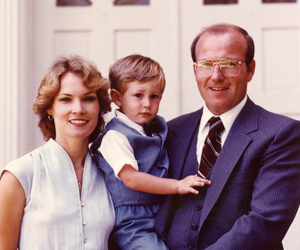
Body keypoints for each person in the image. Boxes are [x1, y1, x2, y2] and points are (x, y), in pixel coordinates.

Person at [155, 23, 300, 250]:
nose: (216, 76)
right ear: (195, 71)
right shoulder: (171, 131)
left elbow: (265, 223)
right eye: (206, 64)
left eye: (230, 64)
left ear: (250, 69)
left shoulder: (281, 134)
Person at [90, 54, 210, 250]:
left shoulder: (153, 128)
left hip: (160, 212)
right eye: (138, 95)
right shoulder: (115, 136)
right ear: (117, 98)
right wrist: (178, 185)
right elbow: (131, 178)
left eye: (154, 96)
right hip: (132, 221)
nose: (147, 103)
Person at [0, 54, 115, 250]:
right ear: (50, 108)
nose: (78, 109)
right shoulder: (20, 175)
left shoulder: (111, 173)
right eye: (66, 99)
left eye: (88, 98)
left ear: (99, 107)